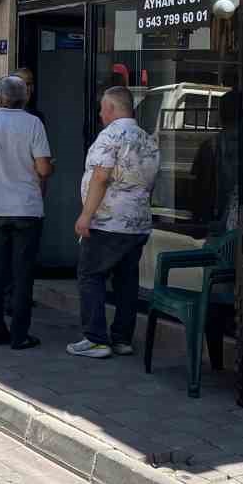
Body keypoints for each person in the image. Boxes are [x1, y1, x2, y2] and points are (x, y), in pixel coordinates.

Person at [67, 86, 161, 360]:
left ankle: (96, 339)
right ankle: (122, 338)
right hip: (137, 223)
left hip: (108, 222)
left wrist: (86, 214)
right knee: (126, 280)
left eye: (102, 108)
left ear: (111, 108)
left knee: (90, 275)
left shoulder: (111, 135)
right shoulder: (147, 139)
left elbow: (101, 177)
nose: (99, 114)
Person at [0, 76, 53, 350]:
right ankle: (20, 334)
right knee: (22, 274)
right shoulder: (34, 124)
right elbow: (43, 169)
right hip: (26, 209)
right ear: (24, 97)